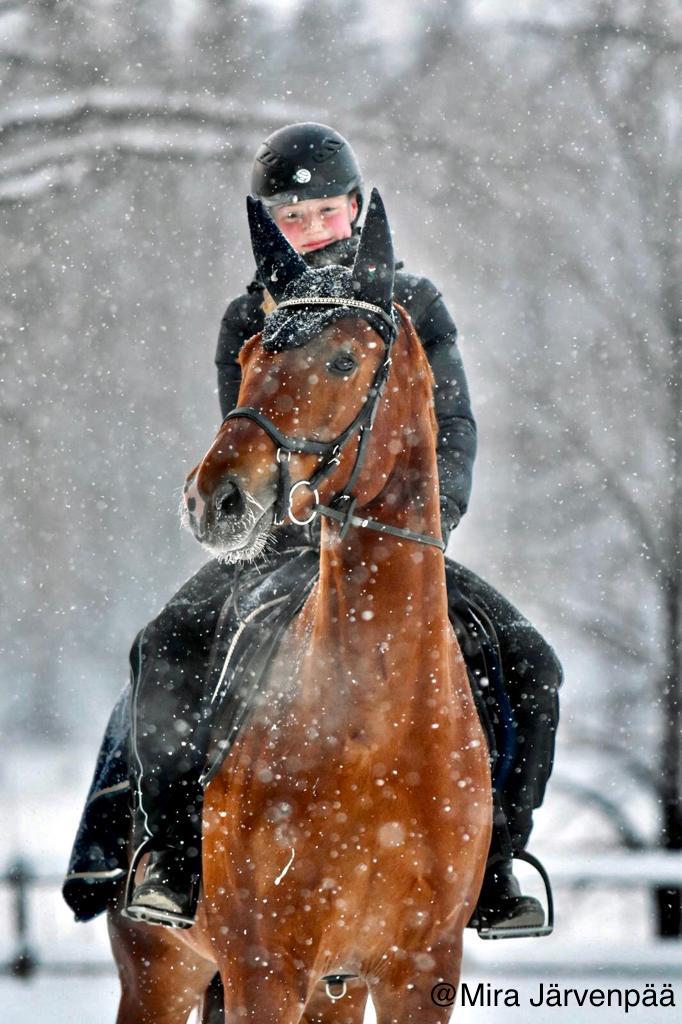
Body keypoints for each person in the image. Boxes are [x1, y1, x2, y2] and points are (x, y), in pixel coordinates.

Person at [124, 123, 562, 933]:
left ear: (355, 210)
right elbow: (254, 438)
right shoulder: (248, 317)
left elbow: (452, 424)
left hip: (398, 546)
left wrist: (436, 525)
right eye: (292, 218)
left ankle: (496, 864)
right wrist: (279, 523)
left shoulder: (413, 305)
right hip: (285, 547)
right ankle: (178, 857)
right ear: (266, 226)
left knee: (532, 662)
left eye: (326, 212)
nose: (312, 230)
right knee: (164, 645)